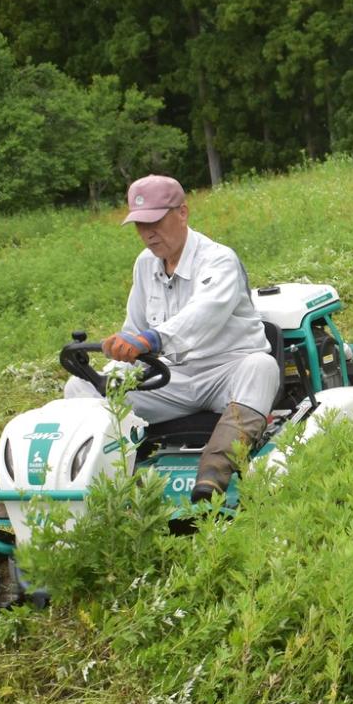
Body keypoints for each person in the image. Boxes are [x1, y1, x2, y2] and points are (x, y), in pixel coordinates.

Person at [67, 174, 280, 504]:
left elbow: (203, 315)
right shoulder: (144, 265)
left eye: (155, 221)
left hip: (227, 373)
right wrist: (121, 345)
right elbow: (135, 326)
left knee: (262, 366)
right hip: (173, 378)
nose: (147, 233)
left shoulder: (218, 259)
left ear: (182, 213)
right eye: (139, 224)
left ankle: (213, 477)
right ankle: (95, 487)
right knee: (80, 387)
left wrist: (149, 340)